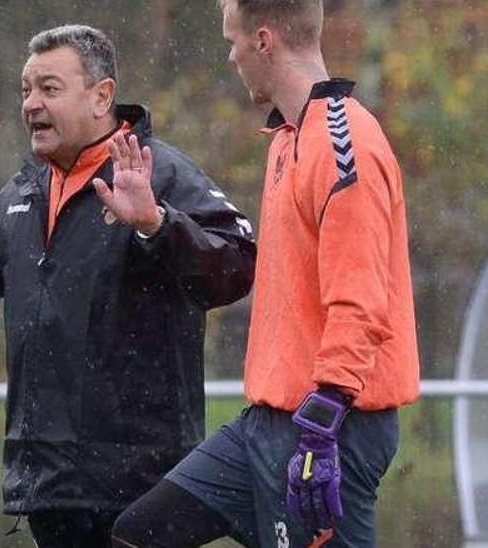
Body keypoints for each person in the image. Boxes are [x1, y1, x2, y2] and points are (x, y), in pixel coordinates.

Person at [0, 25, 257, 547]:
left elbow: (238, 266)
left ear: (101, 96)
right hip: (50, 484)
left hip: (140, 482)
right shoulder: (24, 188)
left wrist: (157, 223)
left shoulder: (160, 173)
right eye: (25, 90)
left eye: (49, 88)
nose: (31, 104)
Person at [110, 1, 420, 546]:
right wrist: (156, 223)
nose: (230, 57)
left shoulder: (346, 146)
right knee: (141, 534)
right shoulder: (286, 138)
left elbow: (361, 301)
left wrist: (321, 427)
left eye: (232, 42)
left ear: (263, 40)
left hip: (330, 424)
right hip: (267, 421)